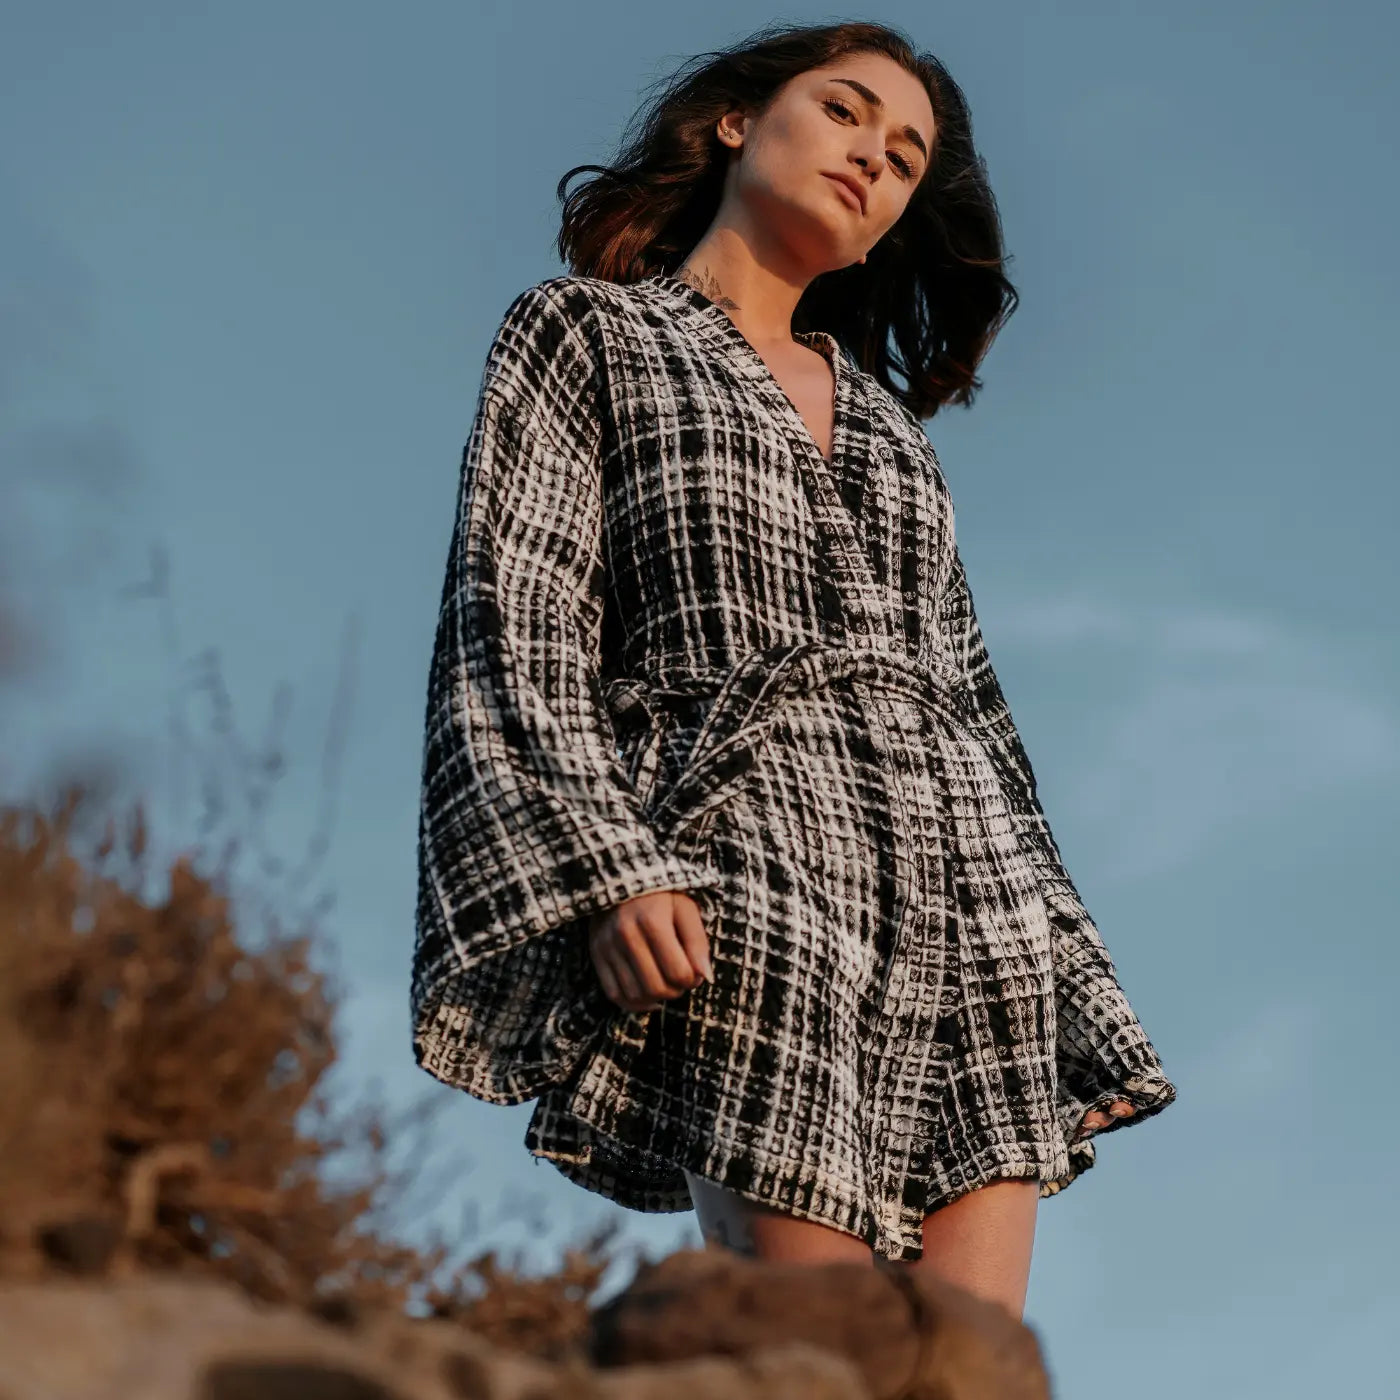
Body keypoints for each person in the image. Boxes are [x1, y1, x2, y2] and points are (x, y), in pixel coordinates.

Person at [411, 19, 1177, 1319]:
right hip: (744, 841)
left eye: (904, 158)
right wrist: (607, 863)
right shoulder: (587, 335)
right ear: (734, 122)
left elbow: (979, 715)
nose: (874, 159)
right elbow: (521, 610)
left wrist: (1071, 963)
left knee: (974, 1358)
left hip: (968, 878)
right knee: (815, 1338)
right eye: (845, 113)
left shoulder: (891, 438)